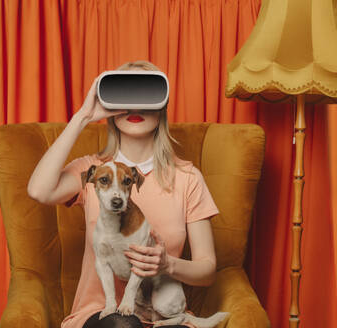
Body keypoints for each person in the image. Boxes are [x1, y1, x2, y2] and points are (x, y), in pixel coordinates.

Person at [27, 61, 220, 328]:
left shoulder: (188, 178)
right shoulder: (92, 171)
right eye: (126, 94)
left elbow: (207, 269)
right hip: (102, 313)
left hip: (163, 314)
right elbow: (39, 190)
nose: (135, 107)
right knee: (124, 325)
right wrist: (83, 115)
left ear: (161, 105)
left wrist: (168, 265)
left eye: (145, 94)